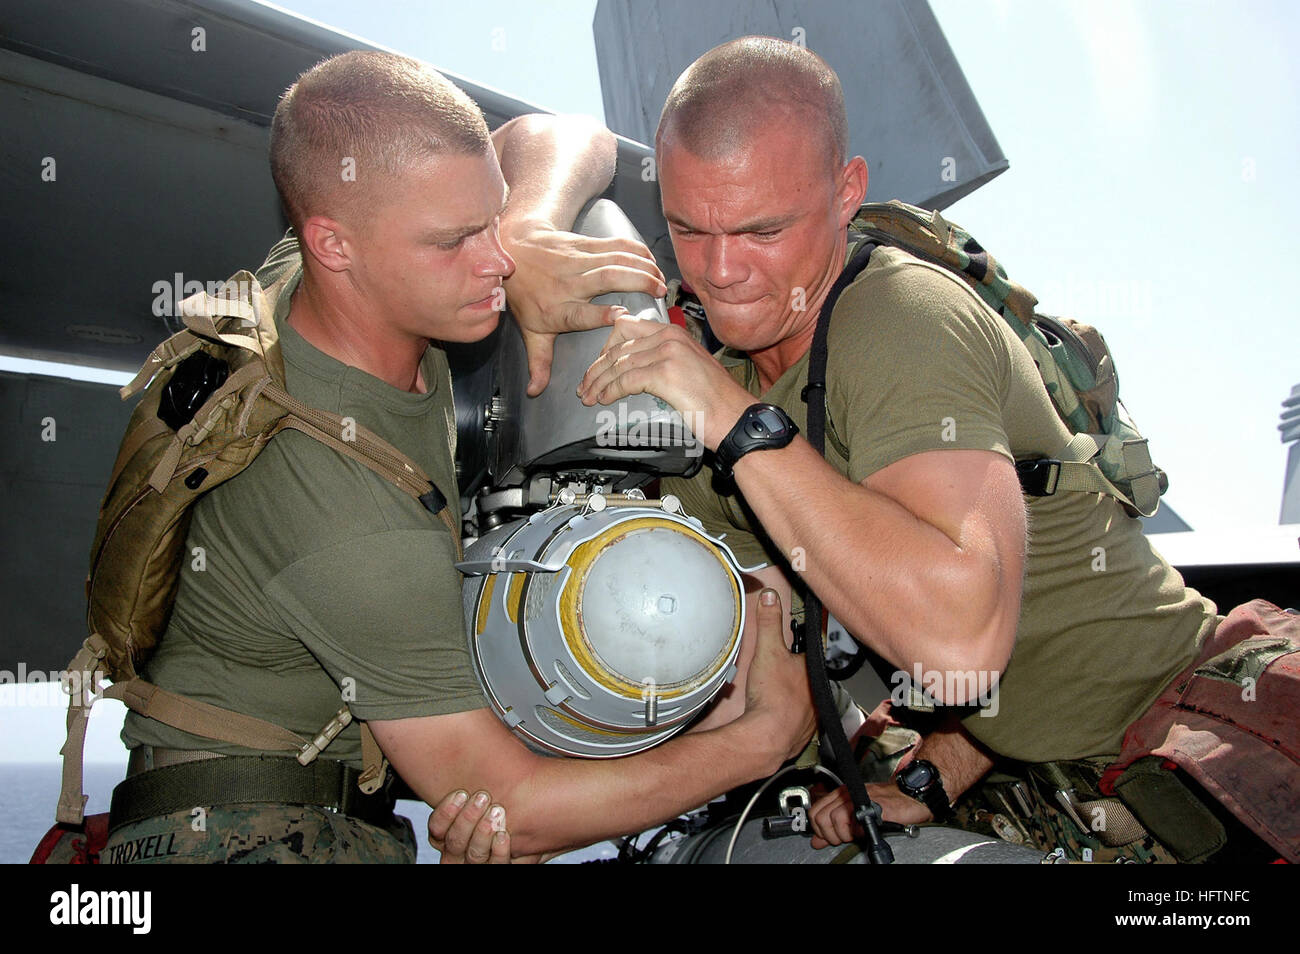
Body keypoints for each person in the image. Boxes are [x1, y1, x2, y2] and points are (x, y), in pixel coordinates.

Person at [446, 36, 1295, 864]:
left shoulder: (896, 322)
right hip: (1041, 769)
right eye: (688, 230)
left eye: (761, 230)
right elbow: (555, 134)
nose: (721, 269)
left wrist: (733, 419)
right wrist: (521, 229)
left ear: (847, 191)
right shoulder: (731, 362)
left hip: (1197, 747)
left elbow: (961, 648)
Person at [101, 50, 814, 865]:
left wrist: (531, 225)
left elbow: (558, 132)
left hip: (326, 805)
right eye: (453, 243)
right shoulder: (333, 504)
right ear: (333, 244)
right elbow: (509, 806)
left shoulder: (319, 281)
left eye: (490, 220)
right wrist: (762, 740)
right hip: (245, 834)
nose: (496, 265)